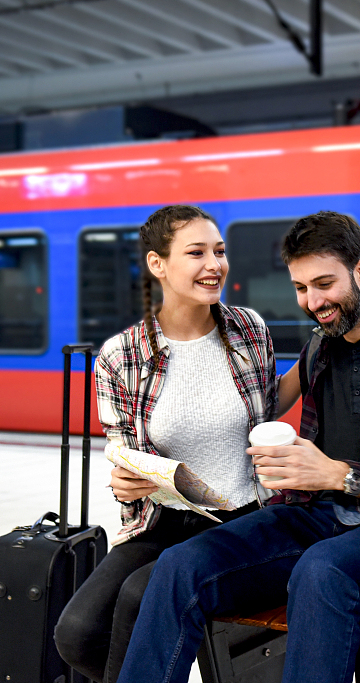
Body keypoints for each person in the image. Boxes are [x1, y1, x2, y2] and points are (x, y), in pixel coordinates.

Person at [116, 210, 360, 683]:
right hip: (314, 517)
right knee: (181, 564)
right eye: (301, 288)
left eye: (324, 284)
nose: (313, 302)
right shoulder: (320, 344)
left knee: (321, 572)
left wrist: (336, 475)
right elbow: (248, 406)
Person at [54, 205, 295, 683]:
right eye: (197, 253)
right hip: (163, 521)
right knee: (76, 633)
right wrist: (126, 484)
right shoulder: (122, 355)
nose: (215, 265)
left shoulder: (248, 329)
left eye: (219, 252)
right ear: (157, 264)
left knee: (139, 597)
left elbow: (266, 408)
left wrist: (314, 360)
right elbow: (123, 452)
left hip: (242, 517)